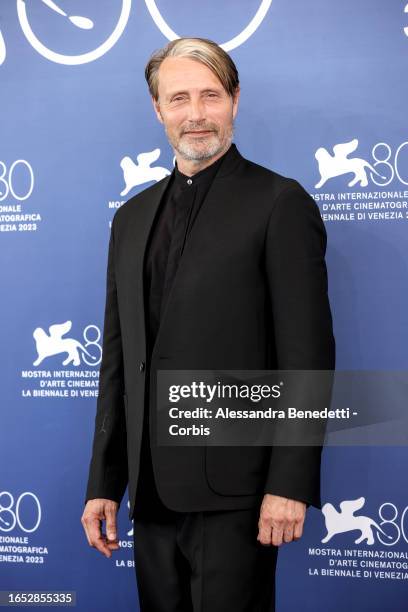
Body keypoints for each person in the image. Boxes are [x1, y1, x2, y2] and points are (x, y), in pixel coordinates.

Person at [81, 37, 335, 611]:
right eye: (179, 99)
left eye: (211, 96)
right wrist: (104, 483)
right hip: (151, 496)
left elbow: (308, 356)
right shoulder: (131, 218)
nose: (195, 114)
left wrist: (289, 484)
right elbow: (118, 364)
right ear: (158, 110)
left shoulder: (279, 203)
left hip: (238, 497)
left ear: (235, 100)